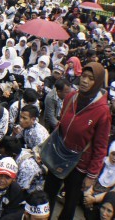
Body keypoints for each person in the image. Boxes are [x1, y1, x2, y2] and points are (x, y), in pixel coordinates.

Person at [45, 62, 111, 219]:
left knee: (70, 204)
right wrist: (47, 148)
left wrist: (91, 175)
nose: (85, 81)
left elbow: (101, 147)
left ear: (98, 82)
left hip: (79, 165)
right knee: (48, 194)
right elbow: (61, 126)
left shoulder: (102, 111)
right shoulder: (70, 97)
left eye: (91, 78)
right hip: (58, 156)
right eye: (84, 76)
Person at [83, 141, 115, 220]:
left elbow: (112, 193)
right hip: (90, 192)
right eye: (113, 154)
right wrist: (89, 193)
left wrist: (94, 199)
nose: (114, 158)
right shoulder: (102, 161)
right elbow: (92, 178)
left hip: (104, 200)